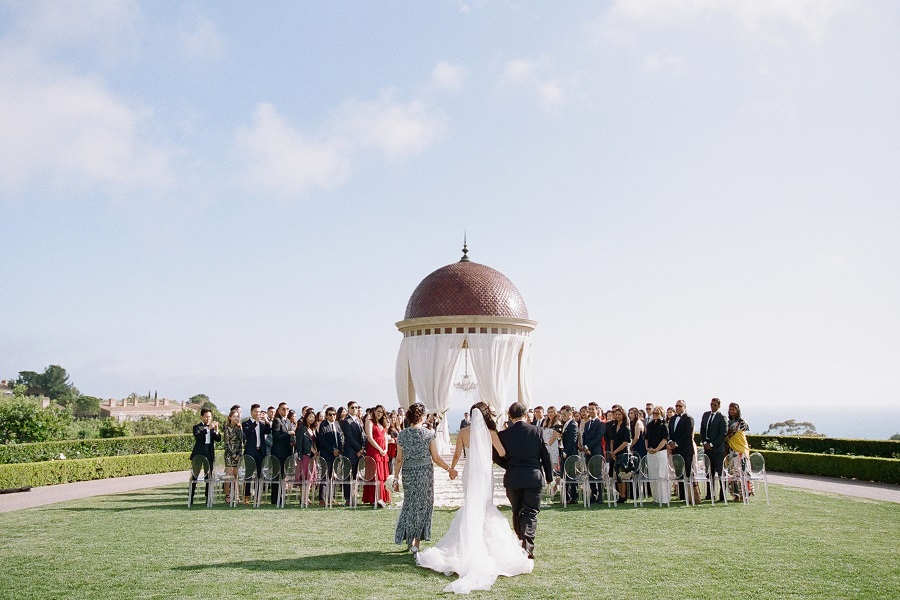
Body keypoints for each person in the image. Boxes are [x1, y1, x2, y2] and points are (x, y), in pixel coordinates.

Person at [417, 402, 534, 594]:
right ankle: (487, 548)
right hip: (484, 473)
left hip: (469, 473)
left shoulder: (463, 432)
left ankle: (466, 546)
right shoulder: (491, 433)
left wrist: (452, 470)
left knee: (471, 505)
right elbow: (503, 452)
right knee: (486, 506)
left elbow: (456, 455)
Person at [493, 402, 553, 560]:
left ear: (510, 417)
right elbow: (546, 455)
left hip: (513, 478)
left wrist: (510, 466)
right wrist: (549, 476)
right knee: (531, 513)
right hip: (533, 477)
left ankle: (521, 544)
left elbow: (496, 456)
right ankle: (527, 547)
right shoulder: (537, 431)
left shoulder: (503, 434)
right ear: (526, 415)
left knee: (517, 512)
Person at [393, 403, 456, 553]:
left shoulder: (402, 435)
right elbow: (435, 457)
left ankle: (408, 539)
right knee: (423, 506)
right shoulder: (429, 434)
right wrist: (449, 469)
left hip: (408, 472)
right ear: (422, 416)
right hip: (424, 473)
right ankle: (416, 544)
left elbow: (399, 459)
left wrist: (395, 478)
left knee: (410, 504)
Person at [189, 408, 220, 505]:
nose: (208, 418)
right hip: (198, 455)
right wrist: (208, 428)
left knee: (208, 477)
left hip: (209, 454)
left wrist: (216, 430)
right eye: (206, 416)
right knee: (195, 476)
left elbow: (218, 439)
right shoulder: (197, 427)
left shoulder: (211, 428)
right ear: (202, 416)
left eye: (209, 417)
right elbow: (198, 436)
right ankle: (191, 497)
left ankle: (208, 498)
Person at [362, 404, 391, 507]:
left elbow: (385, 437)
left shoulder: (382, 424)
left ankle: (383, 497)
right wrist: (379, 449)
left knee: (383, 475)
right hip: (374, 450)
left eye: (381, 412)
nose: (379, 414)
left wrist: (385, 449)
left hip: (383, 451)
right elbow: (370, 438)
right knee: (376, 474)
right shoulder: (369, 422)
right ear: (374, 411)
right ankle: (374, 497)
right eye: (378, 411)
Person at [667, 400, 695, 501]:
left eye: (680, 406)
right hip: (675, 450)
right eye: (676, 406)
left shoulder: (689, 418)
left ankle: (690, 495)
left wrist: (676, 443)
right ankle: (682, 495)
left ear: (684, 407)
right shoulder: (673, 419)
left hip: (686, 449)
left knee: (687, 473)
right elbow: (670, 432)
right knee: (679, 473)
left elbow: (688, 434)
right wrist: (670, 441)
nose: (678, 407)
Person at [241, 404, 270, 504]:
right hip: (250, 452)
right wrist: (255, 423)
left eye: (259, 412)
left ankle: (258, 496)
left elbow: (268, 430)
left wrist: (266, 421)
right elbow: (247, 433)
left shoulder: (262, 424)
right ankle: (246, 496)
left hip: (260, 452)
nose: (258, 414)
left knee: (259, 474)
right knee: (248, 474)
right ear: (251, 412)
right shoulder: (246, 423)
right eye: (256, 412)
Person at [701, 397, 727, 502]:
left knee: (720, 473)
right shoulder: (706, 415)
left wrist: (712, 444)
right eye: (711, 404)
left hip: (718, 450)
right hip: (707, 449)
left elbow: (723, 434)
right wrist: (705, 443)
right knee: (709, 472)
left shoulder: (722, 417)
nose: (712, 406)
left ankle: (722, 496)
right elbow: (702, 429)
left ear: (719, 406)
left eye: (715, 405)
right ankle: (710, 494)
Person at [725, 402, 753, 501]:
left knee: (743, 472)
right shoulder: (728, 422)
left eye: (733, 409)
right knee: (733, 473)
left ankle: (745, 494)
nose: (731, 411)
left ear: (738, 410)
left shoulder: (742, 422)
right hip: (731, 451)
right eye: (730, 409)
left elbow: (741, 434)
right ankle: (736, 494)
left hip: (741, 450)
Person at [316, 406, 343, 505]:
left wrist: (339, 450)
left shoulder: (337, 424)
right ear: (326, 416)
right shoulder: (323, 425)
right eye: (330, 415)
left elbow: (341, 438)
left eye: (334, 414)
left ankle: (331, 497)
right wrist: (332, 450)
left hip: (336, 455)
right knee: (325, 476)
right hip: (327, 454)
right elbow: (322, 441)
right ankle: (322, 498)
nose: (332, 416)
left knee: (333, 477)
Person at [341, 401, 365, 506]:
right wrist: (359, 448)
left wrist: (362, 448)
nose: (354, 409)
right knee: (348, 476)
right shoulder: (346, 421)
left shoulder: (359, 421)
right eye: (352, 407)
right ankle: (348, 498)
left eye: (356, 407)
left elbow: (363, 435)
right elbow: (349, 437)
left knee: (355, 476)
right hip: (350, 452)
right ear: (348, 409)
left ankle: (354, 496)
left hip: (359, 453)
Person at [270, 402, 295, 505]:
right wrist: (288, 433)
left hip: (287, 451)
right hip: (278, 452)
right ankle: (275, 498)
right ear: (279, 410)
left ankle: (281, 496)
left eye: (287, 409)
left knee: (283, 475)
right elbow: (276, 436)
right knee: (276, 475)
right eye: (283, 409)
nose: (285, 411)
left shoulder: (288, 421)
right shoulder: (277, 421)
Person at [645, 405, 670, 506]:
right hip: (650, 452)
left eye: (657, 413)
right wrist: (647, 448)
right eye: (654, 413)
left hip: (660, 452)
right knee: (653, 475)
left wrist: (656, 449)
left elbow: (664, 439)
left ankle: (663, 498)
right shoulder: (650, 425)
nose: (655, 414)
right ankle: (655, 498)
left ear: (661, 414)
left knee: (661, 475)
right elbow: (646, 438)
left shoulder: (664, 425)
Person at [581, 402, 605, 503]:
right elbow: (584, 437)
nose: (591, 411)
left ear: (597, 410)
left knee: (598, 474)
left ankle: (600, 495)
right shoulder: (587, 424)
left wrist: (587, 446)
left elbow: (598, 437)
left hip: (596, 451)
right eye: (589, 409)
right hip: (588, 452)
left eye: (592, 409)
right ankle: (593, 494)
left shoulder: (601, 423)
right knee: (590, 474)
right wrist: (585, 448)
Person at [608, 405, 631, 501]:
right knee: (616, 475)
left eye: (619, 414)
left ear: (623, 415)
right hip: (615, 453)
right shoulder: (614, 427)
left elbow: (625, 443)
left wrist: (616, 451)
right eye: (616, 414)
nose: (617, 416)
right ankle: (619, 494)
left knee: (622, 475)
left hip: (623, 453)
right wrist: (613, 452)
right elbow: (612, 440)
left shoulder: (626, 428)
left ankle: (623, 495)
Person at [296, 409, 319, 506]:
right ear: (306, 418)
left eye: (313, 417)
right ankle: (304, 498)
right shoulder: (302, 429)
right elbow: (303, 443)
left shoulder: (313, 429)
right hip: (305, 456)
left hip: (312, 457)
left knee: (309, 478)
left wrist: (316, 453)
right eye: (310, 417)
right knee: (304, 478)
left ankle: (306, 497)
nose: (311, 419)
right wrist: (314, 451)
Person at [222, 408, 244, 504]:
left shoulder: (239, 428)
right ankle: (227, 495)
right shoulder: (227, 428)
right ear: (230, 417)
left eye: (237, 416)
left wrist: (239, 454)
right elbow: (226, 443)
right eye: (234, 416)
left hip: (238, 453)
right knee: (228, 475)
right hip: (229, 454)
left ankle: (236, 495)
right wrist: (233, 455)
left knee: (236, 475)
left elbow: (241, 442)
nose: (236, 418)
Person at [559, 405, 579, 505]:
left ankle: (574, 497)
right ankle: (567, 496)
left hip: (570, 453)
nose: (563, 416)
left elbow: (573, 440)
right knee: (565, 475)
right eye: (562, 414)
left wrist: (566, 452)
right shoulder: (565, 424)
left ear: (570, 413)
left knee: (571, 475)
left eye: (565, 414)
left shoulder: (573, 424)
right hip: (564, 451)